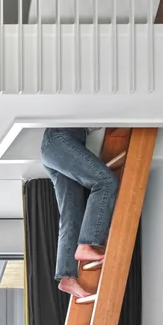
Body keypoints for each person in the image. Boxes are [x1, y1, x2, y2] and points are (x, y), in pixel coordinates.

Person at [40, 127, 120, 298]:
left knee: (71, 213)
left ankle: (67, 277)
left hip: (56, 144)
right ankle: (86, 244)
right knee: (105, 182)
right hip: (59, 140)